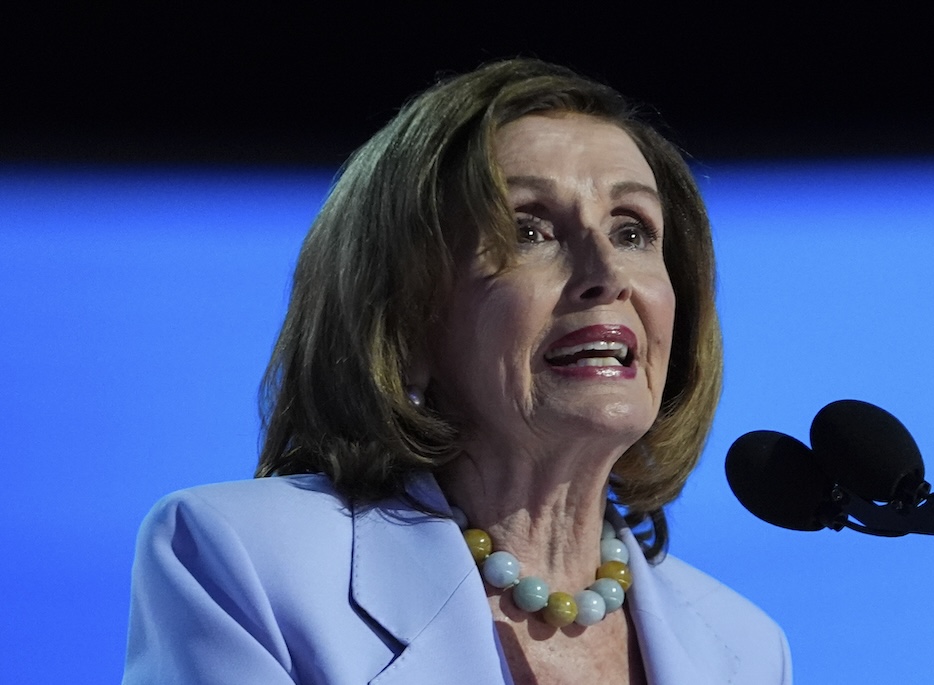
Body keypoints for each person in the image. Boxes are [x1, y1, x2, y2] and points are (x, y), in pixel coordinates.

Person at [122, 58, 792, 685]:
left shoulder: (744, 649)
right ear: (404, 316)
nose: (607, 274)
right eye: (529, 230)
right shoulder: (244, 560)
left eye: (632, 230)